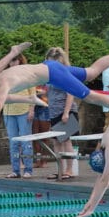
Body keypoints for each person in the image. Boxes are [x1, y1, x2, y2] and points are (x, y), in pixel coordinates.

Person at [0, 44, 109, 146]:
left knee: (90, 96)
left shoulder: (4, 85)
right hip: (49, 68)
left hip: (53, 74)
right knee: (91, 72)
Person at [45, 48, 81, 180]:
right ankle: (60, 169)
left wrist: (66, 113)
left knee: (66, 141)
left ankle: (69, 170)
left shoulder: (66, 73)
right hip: (54, 112)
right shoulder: (49, 75)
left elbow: (70, 94)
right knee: (56, 142)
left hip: (66, 111)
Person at [2, 54, 35, 178]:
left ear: (20, 60)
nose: (12, 63)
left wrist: (32, 109)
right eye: (10, 61)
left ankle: (28, 170)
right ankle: (15, 170)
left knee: (26, 142)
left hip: (24, 110)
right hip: (9, 112)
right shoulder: (5, 74)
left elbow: (32, 92)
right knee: (13, 143)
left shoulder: (27, 74)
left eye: (14, 60)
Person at [31, 85, 50, 168]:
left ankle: (44, 160)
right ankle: (38, 160)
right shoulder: (32, 82)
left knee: (44, 137)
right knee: (35, 137)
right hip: (33, 108)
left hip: (45, 108)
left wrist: (39, 93)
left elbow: (48, 93)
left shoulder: (48, 82)